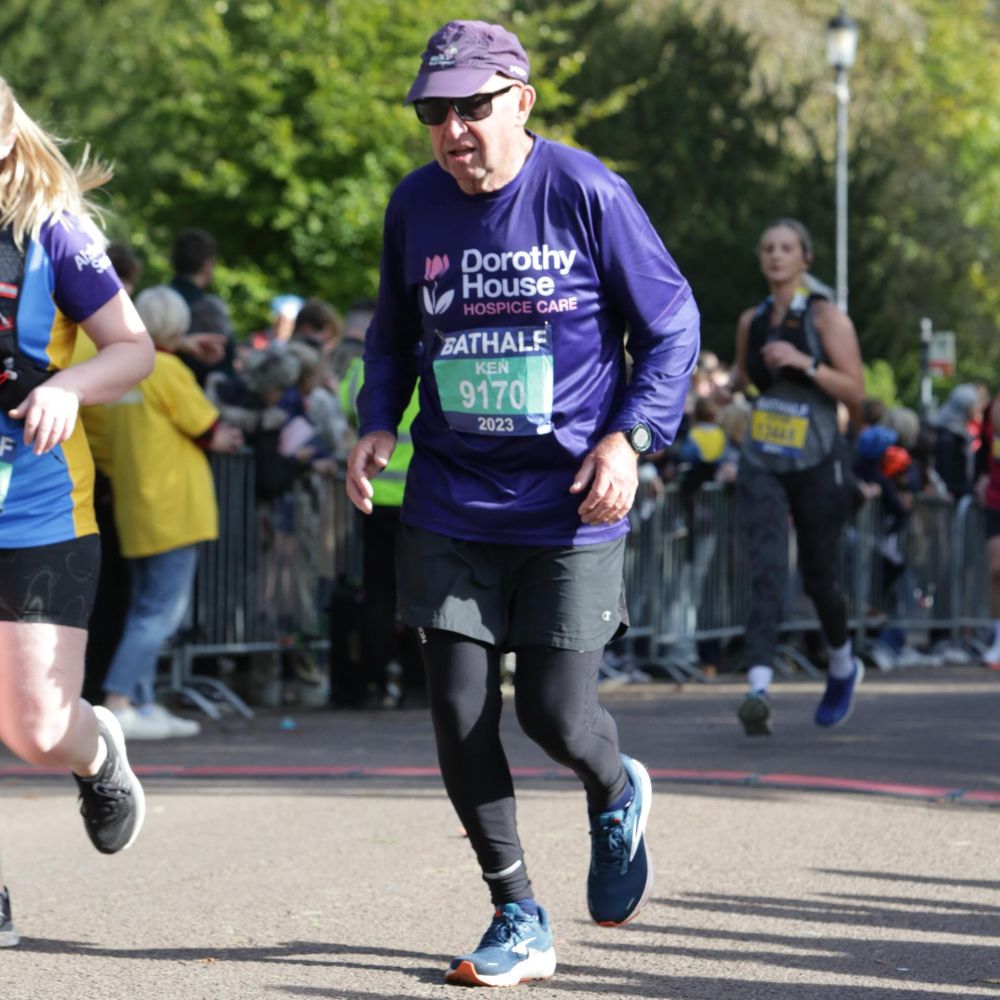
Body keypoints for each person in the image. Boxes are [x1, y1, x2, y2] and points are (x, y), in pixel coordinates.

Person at [345, 20, 699, 987]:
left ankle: (616, 785)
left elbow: (672, 327)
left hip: (569, 506)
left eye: (472, 107)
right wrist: (379, 419)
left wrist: (630, 439)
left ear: (522, 103)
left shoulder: (587, 191)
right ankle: (517, 912)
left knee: (551, 714)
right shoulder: (415, 204)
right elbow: (392, 336)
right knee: (459, 714)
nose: (453, 130)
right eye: (435, 113)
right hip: (452, 497)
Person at [0, 75, 154, 946]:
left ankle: (97, 750)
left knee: (34, 728)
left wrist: (69, 385)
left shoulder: (50, 227)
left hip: (34, 503)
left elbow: (133, 349)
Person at [730, 218, 864, 737]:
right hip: (765, 455)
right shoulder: (753, 320)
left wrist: (803, 362)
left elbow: (854, 391)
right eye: (767, 248)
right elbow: (746, 378)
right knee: (765, 565)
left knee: (818, 575)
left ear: (805, 258)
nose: (775, 256)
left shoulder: (826, 316)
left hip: (819, 460)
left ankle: (842, 664)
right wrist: (726, 390)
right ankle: (757, 688)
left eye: (786, 248)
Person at [99, 286, 242, 738]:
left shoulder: (120, 370)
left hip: (133, 502)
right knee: (159, 615)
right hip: (177, 506)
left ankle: (141, 702)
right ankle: (119, 700)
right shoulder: (168, 370)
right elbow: (208, 428)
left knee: (144, 608)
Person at [168, 227, 235, 384]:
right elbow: (225, 366)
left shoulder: (153, 302)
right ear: (207, 264)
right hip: (197, 399)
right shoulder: (212, 309)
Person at [975, 391, 1000, 669]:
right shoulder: (993, 406)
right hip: (996, 496)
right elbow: (986, 445)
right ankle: (999, 639)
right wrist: (980, 476)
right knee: (997, 568)